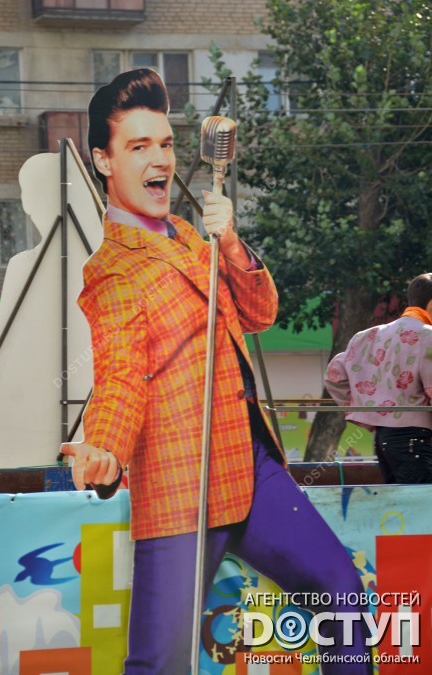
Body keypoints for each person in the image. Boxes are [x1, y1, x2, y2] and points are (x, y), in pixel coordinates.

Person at [61, 68, 373, 674]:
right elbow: (121, 376)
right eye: (138, 146)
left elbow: (260, 314)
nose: (159, 159)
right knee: (161, 663)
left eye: (165, 143)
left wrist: (228, 242)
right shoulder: (112, 271)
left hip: (248, 466)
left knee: (340, 590)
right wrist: (105, 447)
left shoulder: (188, 235)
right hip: (182, 485)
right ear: (104, 161)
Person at [326, 273, 432, 484]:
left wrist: (369, 411)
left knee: (400, 503)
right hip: (416, 439)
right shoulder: (428, 335)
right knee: (422, 503)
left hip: (383, 439)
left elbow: (334, 375)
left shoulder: (369, 335)